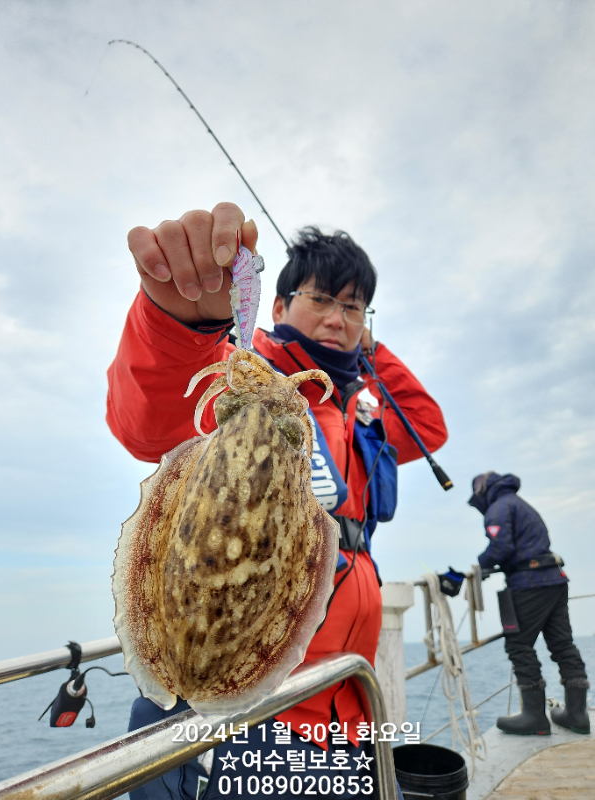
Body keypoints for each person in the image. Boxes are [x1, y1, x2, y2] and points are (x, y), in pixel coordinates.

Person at [107, 202, 448, 799]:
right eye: (322, 299)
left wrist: (370, 350)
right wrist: (182, 323)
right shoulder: (244, 368)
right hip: (257, 716)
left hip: (347, 707)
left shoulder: (361, 409)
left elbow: (428, 425)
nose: (338, 318)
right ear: (280, 306)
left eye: (354, 307)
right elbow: (149, 421)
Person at [469, 471, 590, 736]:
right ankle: (577, 714)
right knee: (562, 644)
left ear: (483, 492)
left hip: (529, 584)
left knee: (519, 645)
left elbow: (500, 548)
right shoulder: (521, 504)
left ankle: (534, 717)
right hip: (554, 579)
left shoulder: (498, 508)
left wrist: (479, 565)